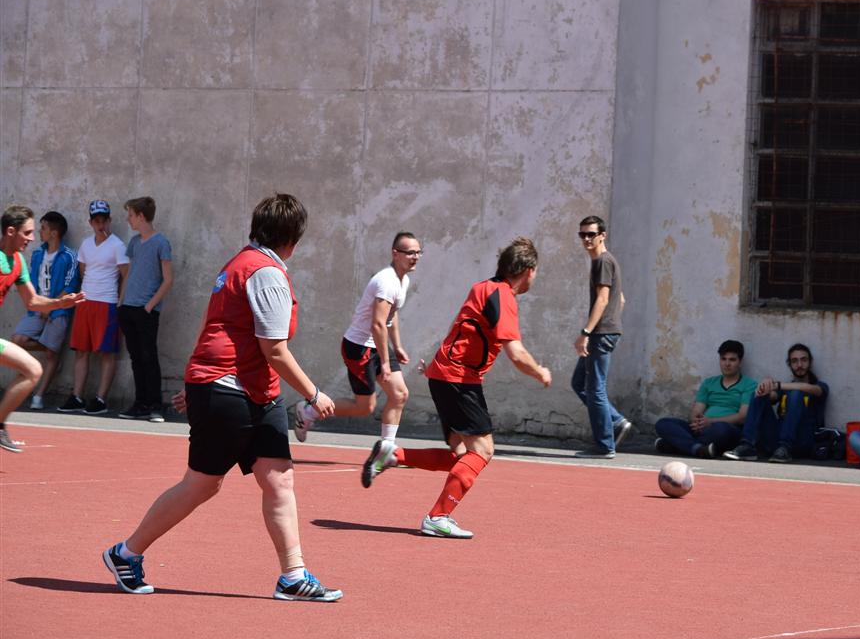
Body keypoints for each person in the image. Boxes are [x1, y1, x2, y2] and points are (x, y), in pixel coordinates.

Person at [102, 194, 342, 601]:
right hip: (230, 388)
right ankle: (125, 553)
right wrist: (313, 393)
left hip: (250, 389)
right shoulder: (265, 272)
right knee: (201, 484)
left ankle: (293, 576)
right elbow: (274, 349)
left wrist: (194, 380)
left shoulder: (240, 263)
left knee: (279, 478)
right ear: (293, 239)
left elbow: (213, 325)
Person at [360, 237, 551, 539]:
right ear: (528, 270)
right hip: (459, 380)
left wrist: (438, 363)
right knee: (482, 450)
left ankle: (393, 456)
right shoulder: (503, 296)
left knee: (460, 455)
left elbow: (460, 327)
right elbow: (516, 353)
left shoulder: (482, 287)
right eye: (535, 271)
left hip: (445, 375)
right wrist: (540, 372)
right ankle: (438, 517)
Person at [293, 232, 420, 448]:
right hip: (359, 348)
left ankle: (386, 449)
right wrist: (386, 362)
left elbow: (391, 314)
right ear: (395, 254)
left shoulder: (403, 280)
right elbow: (377, 324)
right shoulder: (386, 281)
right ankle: (309, 411)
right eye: (410, 253)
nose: (415, 257)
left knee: (399, 394)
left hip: (377, 345)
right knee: (364, 407)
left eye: (418, 252)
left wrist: (397, 346)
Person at [0, 205, 84, 452]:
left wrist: (60, 303)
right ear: (11, 231)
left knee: (33, 370)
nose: (32, 238)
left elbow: (33, 301)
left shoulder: (17, 261)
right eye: (27, 232)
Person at [58, 200, 129, 415]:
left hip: (107, 303)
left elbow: (126, 276)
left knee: (106, 352)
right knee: (82, 351)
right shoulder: (86, 244)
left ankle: (101, 399)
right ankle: (77, 396)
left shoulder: (118, 245)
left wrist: (120, 302)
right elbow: (83, 272)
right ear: (90, 222)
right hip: (85, 302)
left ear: (109, 220)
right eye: (96, 220)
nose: (101, 224)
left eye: (104, 220)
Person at [571, 215, 632, 459]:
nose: (586, 239)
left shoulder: (602, 262)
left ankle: (605, 445)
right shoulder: (604, 261)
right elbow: (621, 300)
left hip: (600, 334)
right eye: (582, 234)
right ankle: (616, 422)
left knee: (595, 389)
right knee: (579, 383)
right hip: (606, 330)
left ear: (602, 235)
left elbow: (604, 299)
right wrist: (611, 323)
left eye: (591, 234)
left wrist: (586, 332)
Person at [10, 211, 81, 409]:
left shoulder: (70, 256)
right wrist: (39, 304)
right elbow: (31, 281)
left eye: (43, 228)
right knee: (17, 340)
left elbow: (70, 285)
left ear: (54, 233)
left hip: (59, 310)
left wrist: (52, 306)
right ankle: (25, 383)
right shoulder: (37, 254)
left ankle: (39, 395)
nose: (39, 232)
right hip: (37, 309)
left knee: (51, 352)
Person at [117, 197, 173, 423]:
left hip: (146, 310)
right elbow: (129, 273)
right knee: (136, 358)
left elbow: (168, 280)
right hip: (128, 308)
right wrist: (121, 301)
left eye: (130, 215)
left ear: (141, 216)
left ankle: (156, 406)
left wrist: (150, 305)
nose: (128, 219)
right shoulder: (134, 242)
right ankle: (140, 404)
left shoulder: (161, 243)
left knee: (149, 357)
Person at [723, 343, 829, 463]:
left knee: (796, 393)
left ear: (810, 362)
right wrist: (766, 385)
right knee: (759, 395)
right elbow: (772, 396)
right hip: (776, 443)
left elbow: (809, 388)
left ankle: (785, 448)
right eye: (794, 361)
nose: (799, 365)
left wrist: (777, 385)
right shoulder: (783, 389)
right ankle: (747, 446)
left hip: (803, 441)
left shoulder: (820, 386)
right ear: (790, 364)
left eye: (803, 360)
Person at [653, 340, 757, 458]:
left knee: (721, 430)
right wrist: (697, 422)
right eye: (723, 359)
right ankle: (698, 449)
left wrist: (710, 422)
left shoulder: (749, 384)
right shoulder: (709, 383)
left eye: (732, 360)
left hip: (727, 430)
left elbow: (742, 417)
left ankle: (677, 445)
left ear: (740, 362)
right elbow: (696, 410)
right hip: (703, 429)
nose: (727, 364)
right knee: (663, 423)